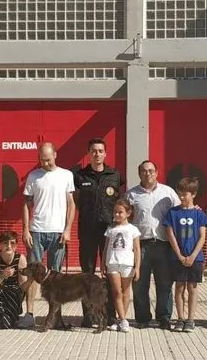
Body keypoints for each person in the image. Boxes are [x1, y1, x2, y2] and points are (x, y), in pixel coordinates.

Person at [22, 142, 75, 329]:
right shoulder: (33, 176)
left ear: (55, 155)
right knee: (31, 273)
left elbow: (71, 205)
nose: (45, 163)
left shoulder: (66, 175)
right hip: (36, 231)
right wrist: (26, 229)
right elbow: (26, 204)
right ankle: (29, 314)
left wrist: (68, 229)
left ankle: (56, 319)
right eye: (42, 160)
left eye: (48, 159)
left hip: (58, 233)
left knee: (56, 277)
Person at [72, 138, 123, 327]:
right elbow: (74, 201)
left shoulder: (115, 175)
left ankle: (110, 315)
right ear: (89, 154)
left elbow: (120, 202)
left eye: (100, 151)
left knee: (110, 272)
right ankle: (89, 316)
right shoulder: (80, 176)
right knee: (87, 274)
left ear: (105, 154)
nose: (97, 154)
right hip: (87, 231)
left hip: (109, 231)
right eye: (93, 151)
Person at [126, 159, 179, 330]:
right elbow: (124, 219)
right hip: (140, 246)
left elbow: (180, 210)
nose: (147, 173)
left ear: (156, 172)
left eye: (151, 170)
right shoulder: (131, 195)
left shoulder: (168, 193)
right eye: (143, 171)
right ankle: (142, 318)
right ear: (139, 173)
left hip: (163, 245)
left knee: (165, 284)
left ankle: (164, 317)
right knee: (140, 284)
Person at [163, 177, 207, 333]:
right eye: (180, 194)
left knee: (192, 287)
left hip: (195, 258)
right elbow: (170, 235)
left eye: (185, 194)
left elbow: (202, 236)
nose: (181, 197)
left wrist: (192, 256)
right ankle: (180, 318)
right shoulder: (172, 213)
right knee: (179, 287)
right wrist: (180, 255)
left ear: (194, 194)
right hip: (178, 257)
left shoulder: (199, 214)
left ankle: (190, 319)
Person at [103, 199, 140, 333]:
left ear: (128, 213)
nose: (117, 215)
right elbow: (106, 248)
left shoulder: (133, 229)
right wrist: (102, 265)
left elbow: (137, 249)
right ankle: (123, 320)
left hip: (127, 264)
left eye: (120, 212)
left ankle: (121, 319)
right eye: (115, 212)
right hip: (112, 263)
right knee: (116, 292)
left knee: (125, 292)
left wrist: (137, 267)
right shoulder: (111, 229)